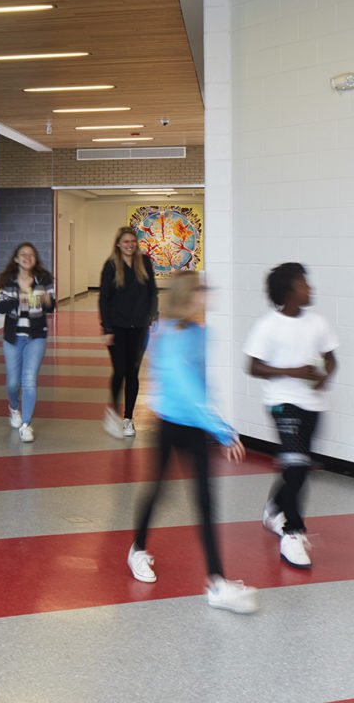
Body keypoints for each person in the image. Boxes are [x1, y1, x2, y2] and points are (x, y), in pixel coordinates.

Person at [125, 270, 258, 614]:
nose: (207, 293)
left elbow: (202, 384)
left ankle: (217, 581)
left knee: (205, 501)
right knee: (157, 490)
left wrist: (211, 423)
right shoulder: (167, 335)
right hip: (169, 423)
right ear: (188, 293)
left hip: (194, 426)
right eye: (201, 289)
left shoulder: (201, 332)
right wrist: (221, 429)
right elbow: (184, 386)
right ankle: (137, 548)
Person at [244, 261, 338, 569]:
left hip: (313, 404)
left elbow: (331, 359)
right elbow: (253, 366)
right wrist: (292, 371)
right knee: (296, 466)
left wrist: (325, 375)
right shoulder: (268, 325)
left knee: (296, 464)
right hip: (282, 402)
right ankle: (292, 534)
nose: (309, 288)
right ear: (288, 291)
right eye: (303, 284)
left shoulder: (318, 323)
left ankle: (274, 507)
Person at [0, 242, 55, 444]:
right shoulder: (7, 280)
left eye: (31, 254)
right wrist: (18, 300)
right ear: (16, 259)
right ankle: (13, 407)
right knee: (13, 383)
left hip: (36, 336)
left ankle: (26, 424)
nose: (27, 257)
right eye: (23, 254)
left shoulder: (43, 279)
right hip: (13, 337)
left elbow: (51, 306)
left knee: (29, 380)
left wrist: (45, 299)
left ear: (35, 259)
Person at [99, 226, 158, 438]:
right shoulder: (111, 265)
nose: (130, 245)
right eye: (125, 242)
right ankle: (112, 412)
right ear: (118, 244)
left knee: (133, 373)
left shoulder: (146, 262)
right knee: (120, 370)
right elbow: (103, 298)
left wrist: (153, 316)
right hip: (117, 327)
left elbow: (153, 291)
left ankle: (128, 418)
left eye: (132, 241)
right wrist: (106, 328)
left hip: (140, 327)